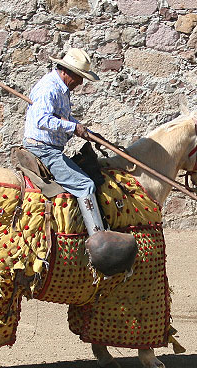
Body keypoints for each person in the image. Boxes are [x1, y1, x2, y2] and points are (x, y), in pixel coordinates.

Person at [23, 48, 136, 275]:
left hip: (52, 147)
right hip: (44, 149)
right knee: (85, 185)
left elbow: (61, 117)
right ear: (66, 72)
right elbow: (43, 120)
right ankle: (99, 246)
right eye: (79, 77)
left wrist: (87, 132)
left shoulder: (61, 88)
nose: (80, 83)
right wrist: (72, 127)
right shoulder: (49, 88)